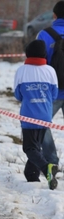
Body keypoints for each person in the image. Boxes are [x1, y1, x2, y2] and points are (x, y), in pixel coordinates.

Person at [14, 39, 58, 190]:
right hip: (46, 115)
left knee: (29, 148)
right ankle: (31, 175)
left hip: (28, 116)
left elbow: (18, 95)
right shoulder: (50, 70)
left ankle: (47, 169)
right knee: (36, 147)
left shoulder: (21, 71)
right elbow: (54, 94)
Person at [36, 1, 64, 170]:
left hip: (51, 92)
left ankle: (51, 161)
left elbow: (37, 65)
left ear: (54, 16)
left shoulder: (45, 35)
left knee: (39, 124)